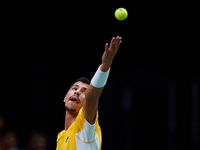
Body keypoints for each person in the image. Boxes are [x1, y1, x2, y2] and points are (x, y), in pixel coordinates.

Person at [56, 36, 122, 150]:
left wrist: (105, 66)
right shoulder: (61, 136)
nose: (77, 92)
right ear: (65, 97)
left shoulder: (85, 126)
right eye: (75, 88)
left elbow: (91, 98)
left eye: (83, 91)